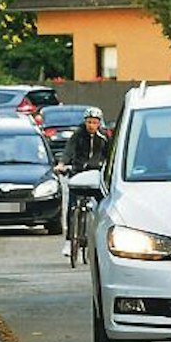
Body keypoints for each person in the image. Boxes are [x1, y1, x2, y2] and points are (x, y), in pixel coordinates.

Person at [56, 108, 108, 256]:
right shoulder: (78, 134)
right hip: (78, 171)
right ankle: (69, 240)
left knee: (102, 204)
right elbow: (69, 150)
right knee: (72, 206)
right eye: (89, 122)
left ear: (99, 123)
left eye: (94, 123)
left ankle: (100, 237)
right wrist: (62, 163)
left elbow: (110, 153)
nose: (91, 125)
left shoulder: (104, 137)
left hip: (95, 174)